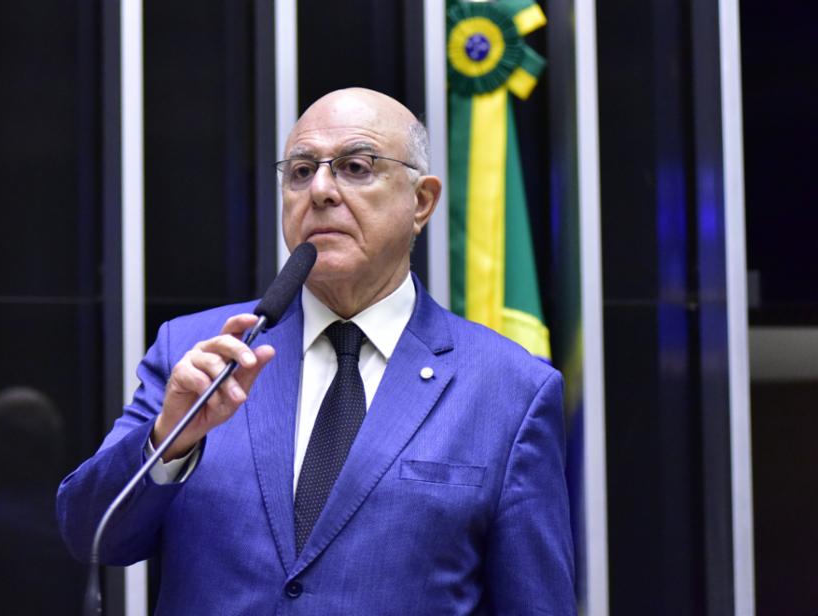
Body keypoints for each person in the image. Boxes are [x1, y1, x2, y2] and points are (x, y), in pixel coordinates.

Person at [57, 87, 574, 614]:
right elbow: (90, 534)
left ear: (421, 201)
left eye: (356, 167)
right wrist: (170, 440)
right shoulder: (201, 352)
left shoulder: (510, 388)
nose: (321, 190)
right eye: (301, 172)